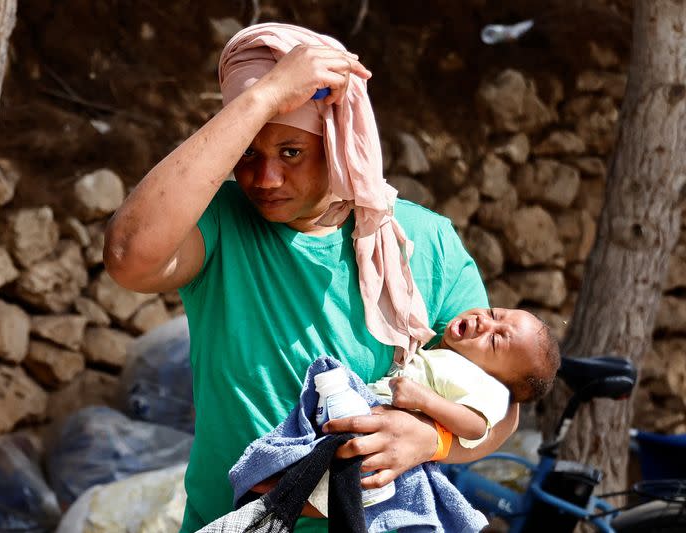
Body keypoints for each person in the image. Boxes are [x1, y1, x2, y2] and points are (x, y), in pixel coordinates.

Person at [103, 22, 520, 533]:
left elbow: (499, 409)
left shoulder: (423, 242)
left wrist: (431, 440)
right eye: (248, 154)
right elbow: (129, 253)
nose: (265, 178)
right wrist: (266, 96)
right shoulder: (218, 223)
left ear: (339, 140)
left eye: (291, 152)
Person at [370, 307, 561, 449]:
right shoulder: (445, 350)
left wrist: (425, 399)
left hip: (385, 427)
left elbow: (476, 427)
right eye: (493, 314)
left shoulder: (485, 386)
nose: (484, 322)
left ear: (493, 379)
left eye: (494, 340)